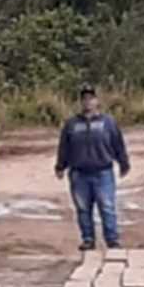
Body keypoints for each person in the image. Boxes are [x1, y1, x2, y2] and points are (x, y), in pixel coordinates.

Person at [55, 85, 130, 251]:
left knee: (107, 207)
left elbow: (117, 143)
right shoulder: (71, 124)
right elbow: (64, 147)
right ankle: (88, 239)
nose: (88, 102)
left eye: (91, 98)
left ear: (97, 101)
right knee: (83, 208)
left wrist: (123, 162)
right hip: (78, 173)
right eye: (84, 99)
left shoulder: (107, 122)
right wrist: (60, 165)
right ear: (80, 102)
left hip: (103, 171)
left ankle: (112, 239)